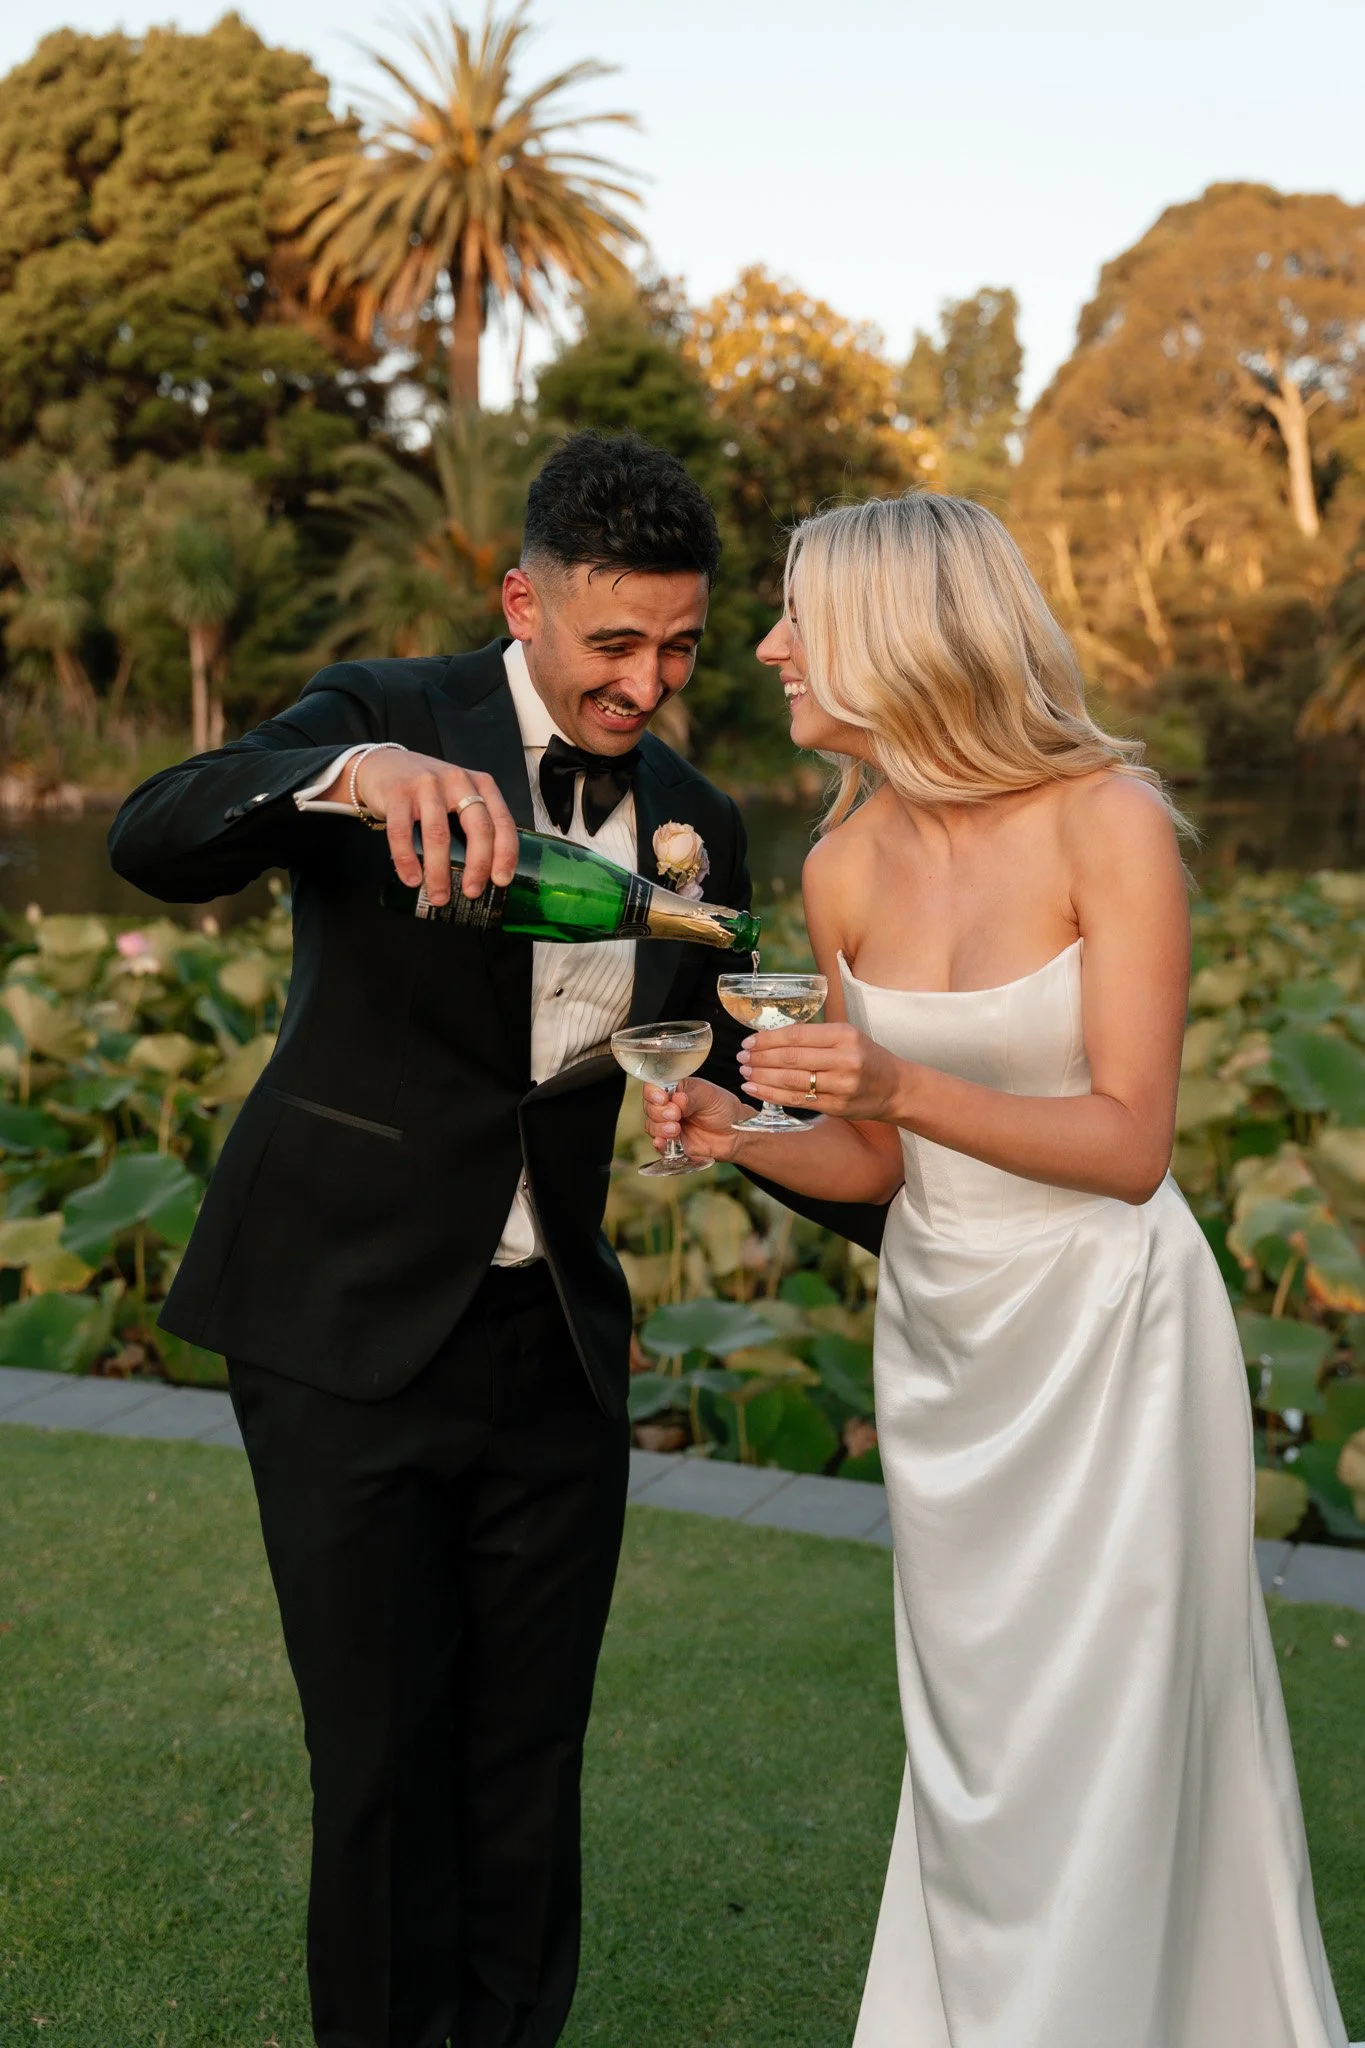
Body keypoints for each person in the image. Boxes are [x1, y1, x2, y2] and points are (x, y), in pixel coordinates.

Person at [107, 432, 791, 2048]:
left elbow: (753, 1083)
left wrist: (915, 1160)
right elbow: (157, 830)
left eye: (680, 645)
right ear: (522, 601)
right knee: (382, 1762)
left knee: (526, 1759)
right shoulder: (383, 715)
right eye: (615, 643)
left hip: (552, 1342)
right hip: (342, 1321)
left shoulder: (695, 824)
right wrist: (342, 780)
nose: (648, 681)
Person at [644, 493, 1348, 2048]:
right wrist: (745, 1128)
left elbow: (1128, 1144)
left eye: (795, 616)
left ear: (902, 633)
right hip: (948, 1338)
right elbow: (882, 1169)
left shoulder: (1109, 820)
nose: (763, 646)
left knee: (1116, 1728)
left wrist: (892, 1085)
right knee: (980, 1747)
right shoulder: (840, 866)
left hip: (1111, 1334)